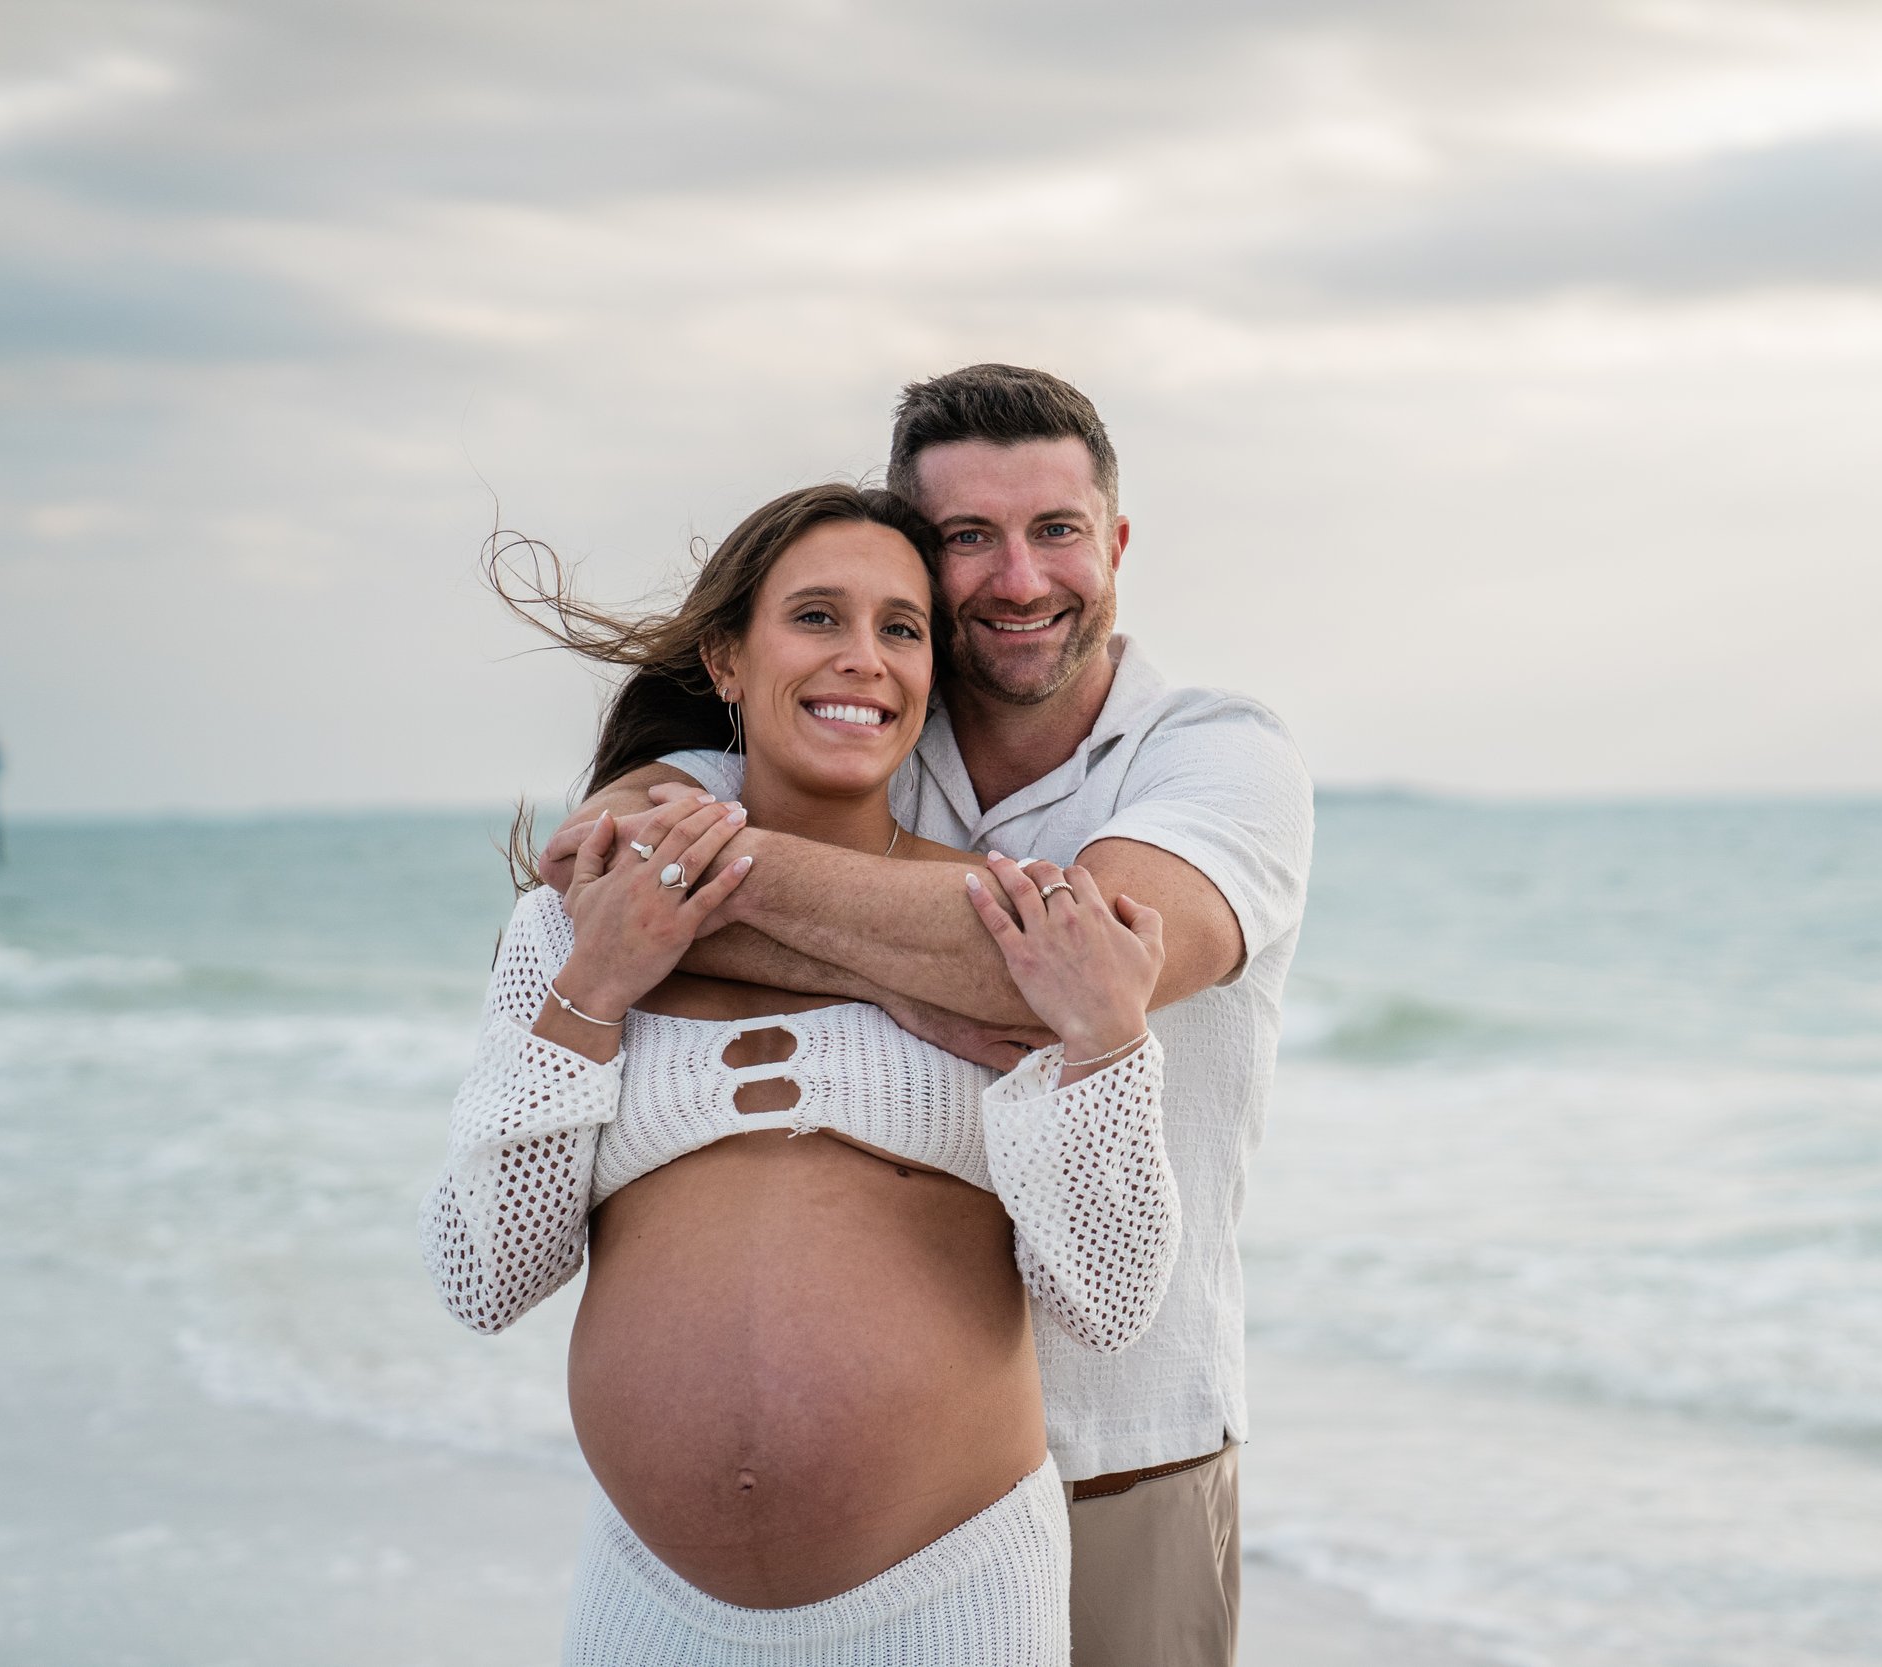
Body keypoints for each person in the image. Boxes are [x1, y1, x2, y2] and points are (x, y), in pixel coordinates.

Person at [548, 365, 1314, 1667]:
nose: (1020, 577)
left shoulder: (1216, 752)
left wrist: (739, 888)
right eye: (969, 537)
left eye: (1056, 528)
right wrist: (969, 962)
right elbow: (593, 883)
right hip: (889, 1513)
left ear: (1115, 542)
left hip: (1131, 1441)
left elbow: (1103, 966)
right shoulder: (854, 726)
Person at [425, 482, 1185, 1665]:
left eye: (900, 627)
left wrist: (1105, 1047)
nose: (862, 660)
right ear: (728, 657)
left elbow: (1109, 1297)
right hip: (650, 1606)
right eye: (817, 617)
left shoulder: (1012, 933)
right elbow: (483, 1270)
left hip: (956, 1596)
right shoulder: (583, 918)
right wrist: (593, 992)